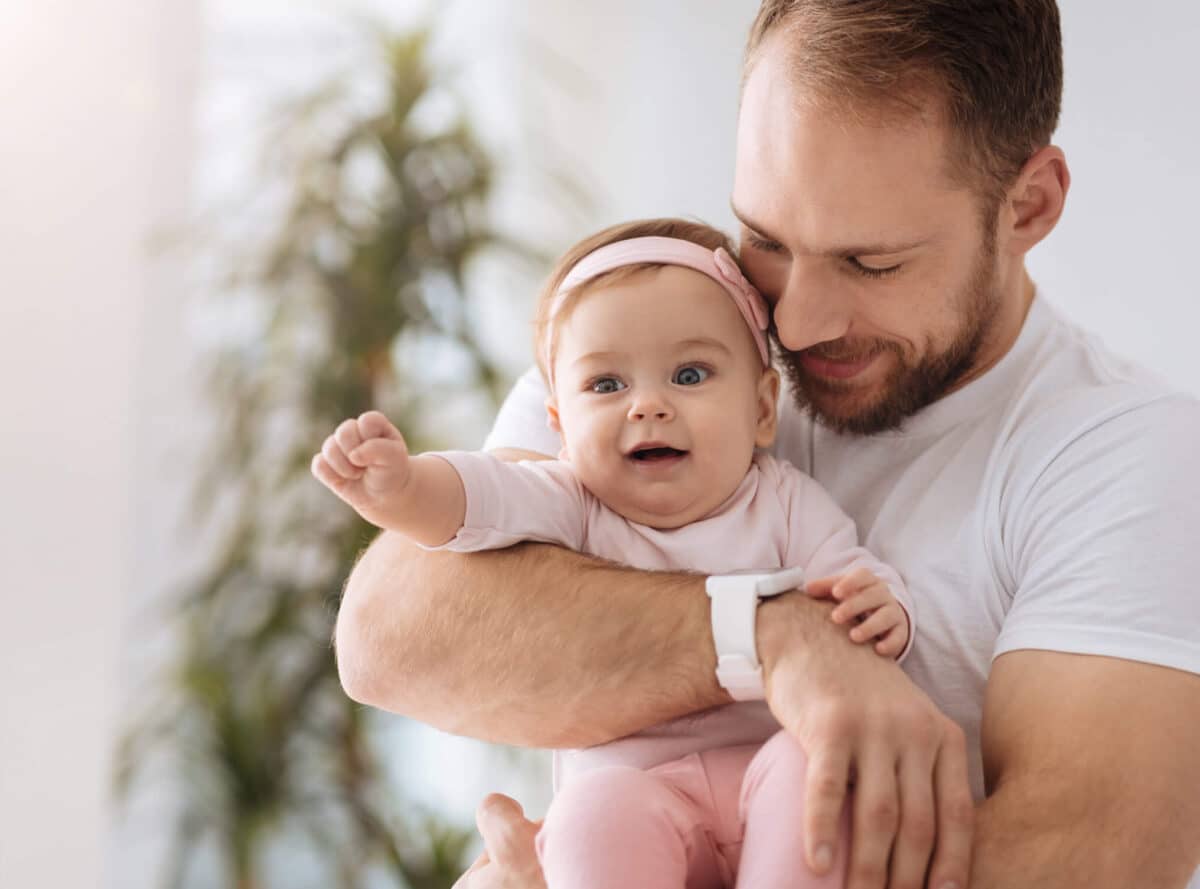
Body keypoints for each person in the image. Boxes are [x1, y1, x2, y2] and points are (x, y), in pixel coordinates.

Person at [331, 3, 1200, 888]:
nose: (793, 319)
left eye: (872, 263)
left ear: (1029, 205)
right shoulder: (665, 352)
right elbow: (392, 638)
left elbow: (1085, 858)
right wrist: (775, 640)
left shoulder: (1125, 457)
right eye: (768, 239)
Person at [313, 220, 917, 888]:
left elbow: (850, 581)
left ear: (762, 408)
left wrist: (883, 604)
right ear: (559, 426)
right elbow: (476, 503)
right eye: (606, 386)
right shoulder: (571, 502)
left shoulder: (787, 502)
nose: (648, 405)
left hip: (765, 771)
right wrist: (402, 489)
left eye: (690, 374)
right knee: (588, 816)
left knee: (815, 775)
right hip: (634, 789)